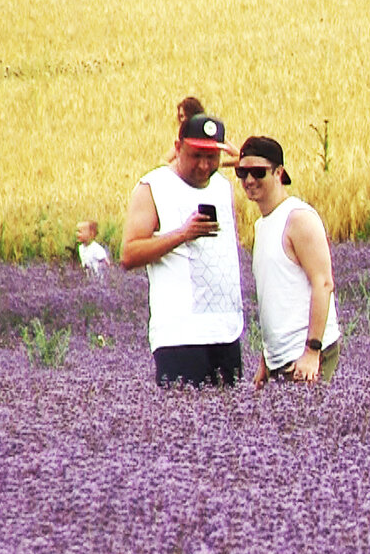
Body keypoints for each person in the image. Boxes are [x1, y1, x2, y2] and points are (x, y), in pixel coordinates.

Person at [122, 113, 245, 387]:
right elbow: (129, 255)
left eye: (212, 157)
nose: (204, 166)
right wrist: (182, 235)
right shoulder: (153, 187)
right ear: (177, 148)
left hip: (226, 332)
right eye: (196, 155)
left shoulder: (223, 187)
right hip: (180, 337)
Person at [236, 136, 342, 386]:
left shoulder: (298, 218)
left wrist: (312, 351)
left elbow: (323, 283)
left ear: (278, 172)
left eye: (258, 172)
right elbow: (273, 296)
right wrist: (266, 360)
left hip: (305, 357)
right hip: (280, 360)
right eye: (242, 172)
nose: (249, 180)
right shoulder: (262, 225)